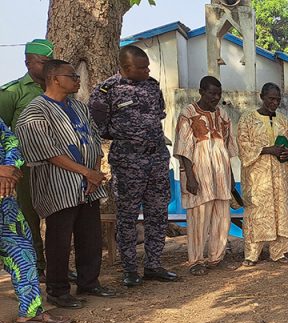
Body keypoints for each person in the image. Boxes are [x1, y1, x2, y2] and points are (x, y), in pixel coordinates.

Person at [14, 59, 116, 308]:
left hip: (89, 185)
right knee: (59, 240)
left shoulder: (79, 107)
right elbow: (48, 152)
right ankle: (58, 290)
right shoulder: (35, 112)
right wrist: (85, 172)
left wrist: (94, 173)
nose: (77, 80)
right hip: (58, 186)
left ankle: (89, 282)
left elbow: (94, 140)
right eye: (72, 76)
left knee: (90, 236)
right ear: (55, 79)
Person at [89, 45, 178, 287]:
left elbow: (158, 117)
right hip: (128, 162)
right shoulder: (106, 90)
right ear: (126, 68)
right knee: (127, 216)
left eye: (148, 66)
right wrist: (129, 137)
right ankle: (129, 269)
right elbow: (99, 128)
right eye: (142, 67)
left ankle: (153, 265)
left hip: (156, 159)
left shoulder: (152, 86)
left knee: (158, 213)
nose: (147, 70)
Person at [0, 119, 71, 323]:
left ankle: (31, 311)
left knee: (23, 254)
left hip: (6, 204)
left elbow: (10, 140)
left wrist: (10, 168)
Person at [173, 76, 238, 276]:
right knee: (198, 219)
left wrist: (231, 177)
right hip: (198, 176)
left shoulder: (223, 115)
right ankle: (196, 260)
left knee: (222, 218)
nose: (216, 98)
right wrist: (190, 178)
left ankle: (215, 257)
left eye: (219, 94)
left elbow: (227, 148)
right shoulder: (188, 113)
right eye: (212, 93)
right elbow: (183, 149)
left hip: (221, 176)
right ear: (201, 92)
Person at [0, 39, 53, 277]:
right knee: (29, 217)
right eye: (43, 62)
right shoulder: (12, 93)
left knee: (58, 217)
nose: (47, 66)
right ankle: (36, 265)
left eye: (50, 61)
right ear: (28, 63)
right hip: (26, 167)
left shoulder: (59, 89)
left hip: (57, 165)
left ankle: (57, 266)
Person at [239, 82, 288, 266]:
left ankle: (279, 253)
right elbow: (242, 146)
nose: (275, 103)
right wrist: (267, 150)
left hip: (280, 177)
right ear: (262, 97)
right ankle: (252, 254)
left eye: (277, 99)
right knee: (256, 212)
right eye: (271, 99)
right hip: (258, 178)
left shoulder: (283, 121)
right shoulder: (248, 119)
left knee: (280, 212)